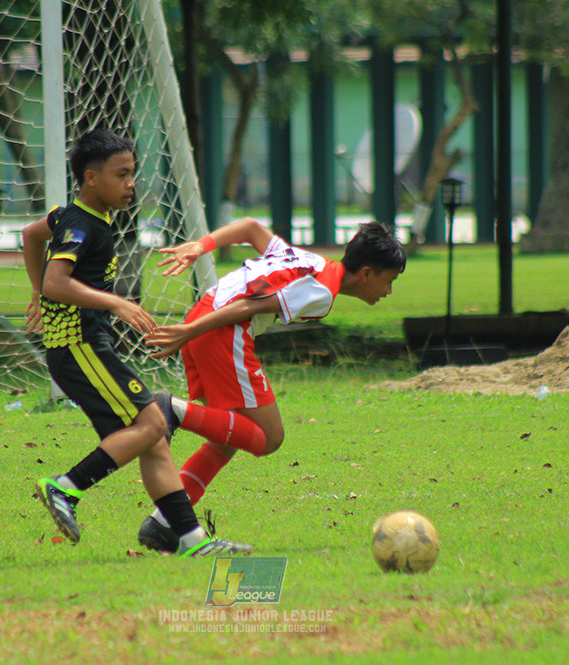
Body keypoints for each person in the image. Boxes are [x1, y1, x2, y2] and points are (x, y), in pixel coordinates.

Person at [22, 128, 254, 557]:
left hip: (83, 348)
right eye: (121, 174)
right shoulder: (79, 225)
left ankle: (190, 542)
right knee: (153, 424)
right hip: (78, 346)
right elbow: (59, 281)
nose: (131, 184)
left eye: (133, 173)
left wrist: (38, 291)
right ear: (91, 178)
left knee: (152, 438)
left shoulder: (69, 216)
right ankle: (64, 488)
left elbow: (30, 236)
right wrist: (112, 302)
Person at [137, 217, 406, 553]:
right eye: (389, 281)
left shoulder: (311, 261)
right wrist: (192, 332)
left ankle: (164, 523)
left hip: (206, 314)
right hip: (221, 329)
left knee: (231, 436)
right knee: (268, 437)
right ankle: (173, 410)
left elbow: (250, 227)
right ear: (367, 273)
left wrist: (200, 246)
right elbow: (250, 306)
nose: (388, 291)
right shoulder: (322, 291)